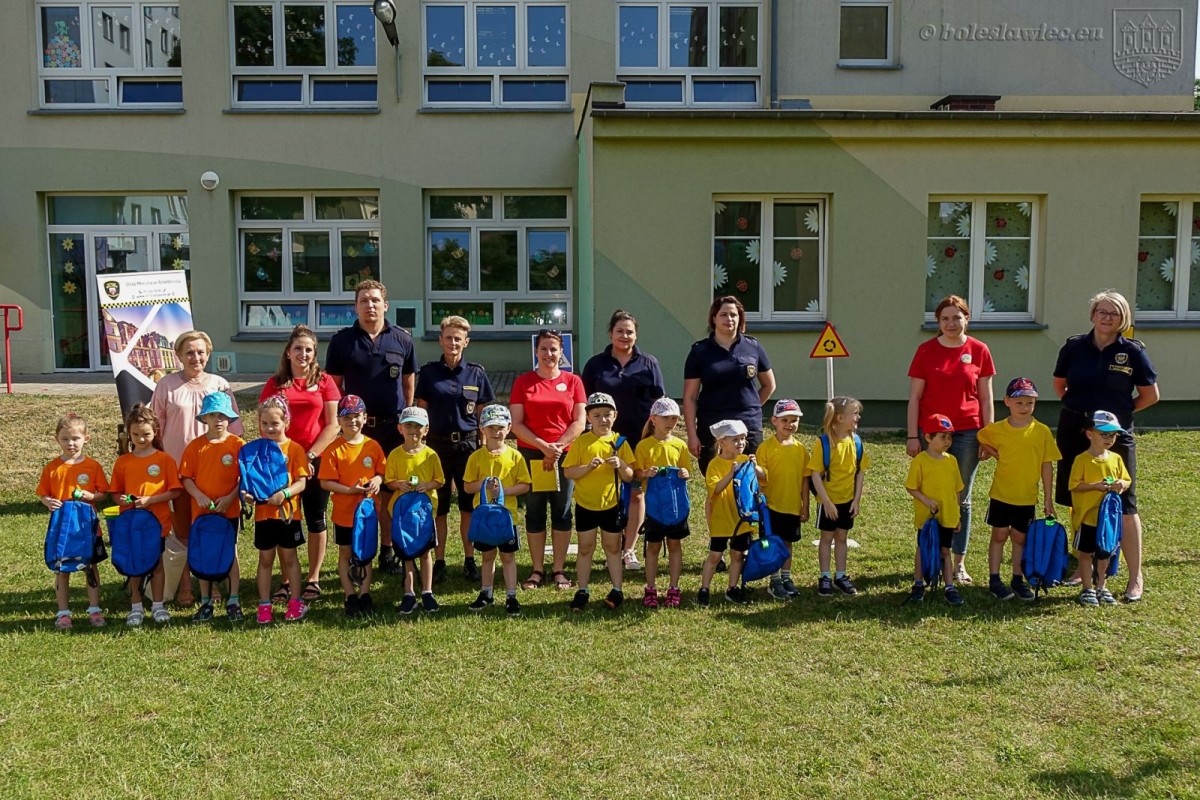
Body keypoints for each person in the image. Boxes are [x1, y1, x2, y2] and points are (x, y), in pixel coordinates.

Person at [1053, 290, 1158, 603]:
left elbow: (1150, 395)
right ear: (1092, 314)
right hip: (1075, 430)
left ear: (1123, 318)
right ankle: (1082, 567)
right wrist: (1086, 419)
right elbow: (1060, 385)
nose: (1107, 317)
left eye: (1114, 313)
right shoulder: (1074, 347)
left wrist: (1116, 418)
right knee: (1080, 495)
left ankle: (1134, 576)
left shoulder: (1133, 352)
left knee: (1125, 502)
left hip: (1116, 436)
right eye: (1102, 311)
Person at [325, 279, 416, 576]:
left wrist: (405, 417)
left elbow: (408, 382)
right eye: (364, 300)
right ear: (356, 306)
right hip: (356, 432)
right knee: (358, 493)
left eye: (375, 300)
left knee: (389, 492)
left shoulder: (402, 339)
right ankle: (358, 552)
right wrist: (341, 426)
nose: (370, 305)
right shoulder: (342, 342)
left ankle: (387, 552)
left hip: (392, 429)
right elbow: (333, 388)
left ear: (385, 305)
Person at [906, 295, 995, 586]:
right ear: (938, 322)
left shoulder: (979, 350)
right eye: (945, 318)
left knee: (961, 497)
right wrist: (912, 435)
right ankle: (930, 554)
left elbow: (986, 398)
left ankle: (958, 562)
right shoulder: (926, 351)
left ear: (967, 318)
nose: (951, 323)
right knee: (932, 493)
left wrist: (987, 436)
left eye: (957, 317)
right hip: (931, 433)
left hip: (968, 432)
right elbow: (915, 398)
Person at [151, 329, 244, 607]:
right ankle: (185, 585)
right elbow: (155, 429)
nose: (195, 357)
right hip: (179, 473)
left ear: (208, 354)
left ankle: (213, 581)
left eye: (201, 352)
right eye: (189, 352)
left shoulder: (219, 384)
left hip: (216, 474)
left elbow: (236, 430)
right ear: (179, 355)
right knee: (184, 532)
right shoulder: (166, 385)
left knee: (214, 531)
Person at [581, 310, 667, 572]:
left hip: (639, 440)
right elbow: (583, 403)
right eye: (620, 331)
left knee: (636, 493)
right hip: (605, 439)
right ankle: (613, 545)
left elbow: (659, 403)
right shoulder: (596, 364)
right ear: (610, 334)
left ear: (636, 335)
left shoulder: (649, 363)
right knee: (613, 493)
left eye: (630, 331)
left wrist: (655, 435)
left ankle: (629, 549)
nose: (625, 336)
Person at [259, 325, 340, 604]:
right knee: (285, 519)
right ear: (288, 352)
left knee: (316, 518)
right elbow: (264, 422)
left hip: (316, 459)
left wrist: (311, 455)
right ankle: (285, 579)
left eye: (308, 350)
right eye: (298, 348)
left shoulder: (325, 381)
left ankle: (313, 578)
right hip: (281, 463)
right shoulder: (275, 383)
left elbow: (333, 425)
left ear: (314, 354)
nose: (302, 354)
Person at [414, 315, 495, 584]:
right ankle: (439, 561)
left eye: (458, 339)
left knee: (467, 505)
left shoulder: (476, 373)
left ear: (466, 342)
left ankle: (469, 560)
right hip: (436, 445)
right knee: (439, 507)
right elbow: (421, 412)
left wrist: (484, 446)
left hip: (467, 446)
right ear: (440, 340)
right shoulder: (428, 373)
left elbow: (483, 415)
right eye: (448, 338)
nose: (452, 343)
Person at [509, 329, 587, 591]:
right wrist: (543, 447)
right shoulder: (523, 382)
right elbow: (516, 424)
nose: (549, 353)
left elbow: (579, 421)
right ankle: (537, 570)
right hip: (533, 454)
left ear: (562, 352)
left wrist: (558, 447)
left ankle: (559, 570)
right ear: (536, 351)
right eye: (543, 348)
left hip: (564, 456)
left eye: (554, 349)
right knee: (535, 511)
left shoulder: (574, 381)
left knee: (562, 511)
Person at [976, 378, 1060, 602]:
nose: (1024, 407)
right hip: (1001, 494)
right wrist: (994, 453)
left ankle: (1017, 579)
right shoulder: (998, 429)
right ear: (1007, 402)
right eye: (1019, 402)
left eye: (1029, 403)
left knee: (1020, 538)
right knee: (999, 535)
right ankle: (995, 580)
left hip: (1026, 497)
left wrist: (1048, 499)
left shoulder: (1041, 431)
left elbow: (1047, 465)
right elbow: (981, 436)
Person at [683, 296, 775, 477]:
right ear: (714, 318)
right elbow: (690, 397)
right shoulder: (700, 351)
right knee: (715, 480)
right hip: (712, 426)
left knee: (748, 478)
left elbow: (769, 385)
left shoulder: (753, 347)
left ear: (740, 318)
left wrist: (751, 408)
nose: (729, 319)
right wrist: (692, 435)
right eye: (723, 314)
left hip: (747, 426)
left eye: (734, 315)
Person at [562, 392, 635, 612]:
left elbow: (630, 476)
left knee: (612, 547)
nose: (603, 419)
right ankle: (582, 589)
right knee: (585, 548)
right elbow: (568, 472)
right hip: (585, 504)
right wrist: (587, 468)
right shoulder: (582, 442)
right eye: (597, 415)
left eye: (607, 415)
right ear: (588, 418)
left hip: (611, 505)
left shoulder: (620, 442)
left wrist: (621, 464)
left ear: (615, 416)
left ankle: (617, 589)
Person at [109, 403, 182, 626]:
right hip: (131, 524)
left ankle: (158, 606)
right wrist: (122, 500)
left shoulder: (164, 460)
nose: (141, 439)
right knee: (134, 566)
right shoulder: (123, 462)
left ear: (155, 432)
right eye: (136, 435)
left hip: (157, 523)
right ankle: (136, 607)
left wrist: (150, 500)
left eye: (146, 434)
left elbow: (175, 491)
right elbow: (115, 493)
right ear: (129, 434)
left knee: (157, 564)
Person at [38, 414, 110, 629]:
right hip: (63, 527)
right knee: (62, 568)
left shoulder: (93, 466)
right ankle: (63, 613)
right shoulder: (52, 468)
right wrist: (48, 501)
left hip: (87, 526)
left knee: (91, 565)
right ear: (57, 440)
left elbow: (103, 493)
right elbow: (43, 493)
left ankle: (94, 610)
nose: (71, 443)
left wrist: (91, 496)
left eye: (76, 438)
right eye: (65, 439)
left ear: (86, 438)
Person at [178, 392, 245, 623]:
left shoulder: (238, 445)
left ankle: (233, 599)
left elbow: (243, 479)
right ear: (204, 418)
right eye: (213, 415)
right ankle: (205, 601)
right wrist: (198, 495)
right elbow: (186, 477)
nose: (218, 420)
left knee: (230, 552)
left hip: (229, 511)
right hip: (202, 513)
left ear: (230, 418)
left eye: (223, 415)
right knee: (203, 554)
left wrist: (230, 498)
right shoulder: (195, 447)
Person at [245, 394, 311, 625]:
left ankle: (296, 601)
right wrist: (247, 495)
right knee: (265, 559)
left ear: (286, 422)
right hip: (264, 516)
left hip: (288, 515)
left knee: (290, 557)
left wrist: (284, 494)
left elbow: (302, 482)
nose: (269, 428)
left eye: (275, 423)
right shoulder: (255, 450)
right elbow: (249, 482)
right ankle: (264, 604)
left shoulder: (294, 449)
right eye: (264, 423)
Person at [319, 395, 386, 618]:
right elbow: (325, 482)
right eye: (346, 417)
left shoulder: (372, 446)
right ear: (339, 420)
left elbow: (381, 472)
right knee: (346, 553)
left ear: (365, 418)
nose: (352, 421)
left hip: (367, 514)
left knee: (366, 553)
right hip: (344, 514)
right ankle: (349, 595)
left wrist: (376, 481)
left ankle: (365, 593)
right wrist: (349, 491)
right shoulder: (333, 449)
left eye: (356, 416)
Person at [463, 405, 532, 617]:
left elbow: (525, 485)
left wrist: (504, 490)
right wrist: (484, 484)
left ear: (509, 428)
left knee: (508, 557)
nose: (496, 432)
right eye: (491, 427)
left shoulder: (515, 456)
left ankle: (511, 596)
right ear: (482, 429)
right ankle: (486, 593)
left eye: (500, 427)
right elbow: (467, 487)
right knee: (487, 556)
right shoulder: (476, 457)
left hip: (507, 518)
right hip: (484, 518)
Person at [385, 407, 445, 615]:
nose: (413, 430)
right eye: (408, 425)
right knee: (407, 554)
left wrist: (427, 485)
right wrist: (398, 484)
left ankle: (427, 592)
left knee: (425, 553)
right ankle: (409, 593)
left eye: (418, 426)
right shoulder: (395, 454)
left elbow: (440, 480)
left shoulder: (430, 455)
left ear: (426, 430)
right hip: (402, 515)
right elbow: (389, 481)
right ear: (400, 428)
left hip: (424, 515)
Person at [632, 397, 691, 609]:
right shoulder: (644, 446)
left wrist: (684, 473)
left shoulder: (680, 445)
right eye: (666, 418)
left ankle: (674, 587)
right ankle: (650, 588)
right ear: (653, 419)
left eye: (674, 418)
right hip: (654, 507)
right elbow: (636, 474)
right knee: (653, 547)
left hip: (675, 506)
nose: (670, 422)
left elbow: (686, 470)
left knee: (675, 545)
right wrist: (646, 473)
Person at [807, 397, 870, 597]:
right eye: (855, 414)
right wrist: (826, 502)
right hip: (828, 503)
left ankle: (841, 576)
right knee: (826, 539)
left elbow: (860, 473)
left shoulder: (856, 441)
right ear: (840, 418)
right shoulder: (824, 443)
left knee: (842, 538)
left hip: (847, 502)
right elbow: (815, 475)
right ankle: (825, 576)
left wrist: (856, 500)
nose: (858, 417)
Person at [697, 419, 764, 606]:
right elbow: (715, 489)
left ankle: (732, 588)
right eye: (735, 439)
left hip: (741, 518)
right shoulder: (714, 465)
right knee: (715, 556)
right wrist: (730, 474)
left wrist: (755, 466)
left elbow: (763, 477)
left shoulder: (745, 460)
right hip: (721, 518)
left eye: (742, 439)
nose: (740, 443)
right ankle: (704, 589)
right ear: (722, 442)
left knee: (738, 554)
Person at [1069, 411, 1132, 607]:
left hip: (1108, 520)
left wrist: (1121, 484)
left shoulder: (1116, 458)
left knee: (1104, 554)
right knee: (1086, 554)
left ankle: (1101, 587)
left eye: (1113, 435)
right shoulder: (1082, 460)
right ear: (1090, 434)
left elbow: (1126, 480)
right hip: (1088, 518)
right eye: (1104, 434)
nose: (1109, 439)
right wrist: (1095, 486)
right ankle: (1087, 588)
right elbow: (1074, 486)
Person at [904, 414, 965, 606]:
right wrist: (927, 501)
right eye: (942, 437)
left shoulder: (952, 461)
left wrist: (957, 515)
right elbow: (911, 487)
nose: (947, 441)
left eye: (950, 437)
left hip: (948, 516)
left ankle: (949, 587)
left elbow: (957, 490)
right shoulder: (920, 461)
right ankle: (918, 584)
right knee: (923, 548)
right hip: (927, 517)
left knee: (945, 550)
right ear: (928, 437)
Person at [757, 399, 810, 601]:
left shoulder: (800, 449)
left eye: (794, 420)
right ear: (774, 421)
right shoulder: (765, 448)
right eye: (784, 420)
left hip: (792, 506)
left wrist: (805, 505)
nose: (789, 424)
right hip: (771, 506)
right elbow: (760, 477)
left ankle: (786, 577)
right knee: (773, 544)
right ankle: (774, 580)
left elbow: (805, 479)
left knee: (788, 543)